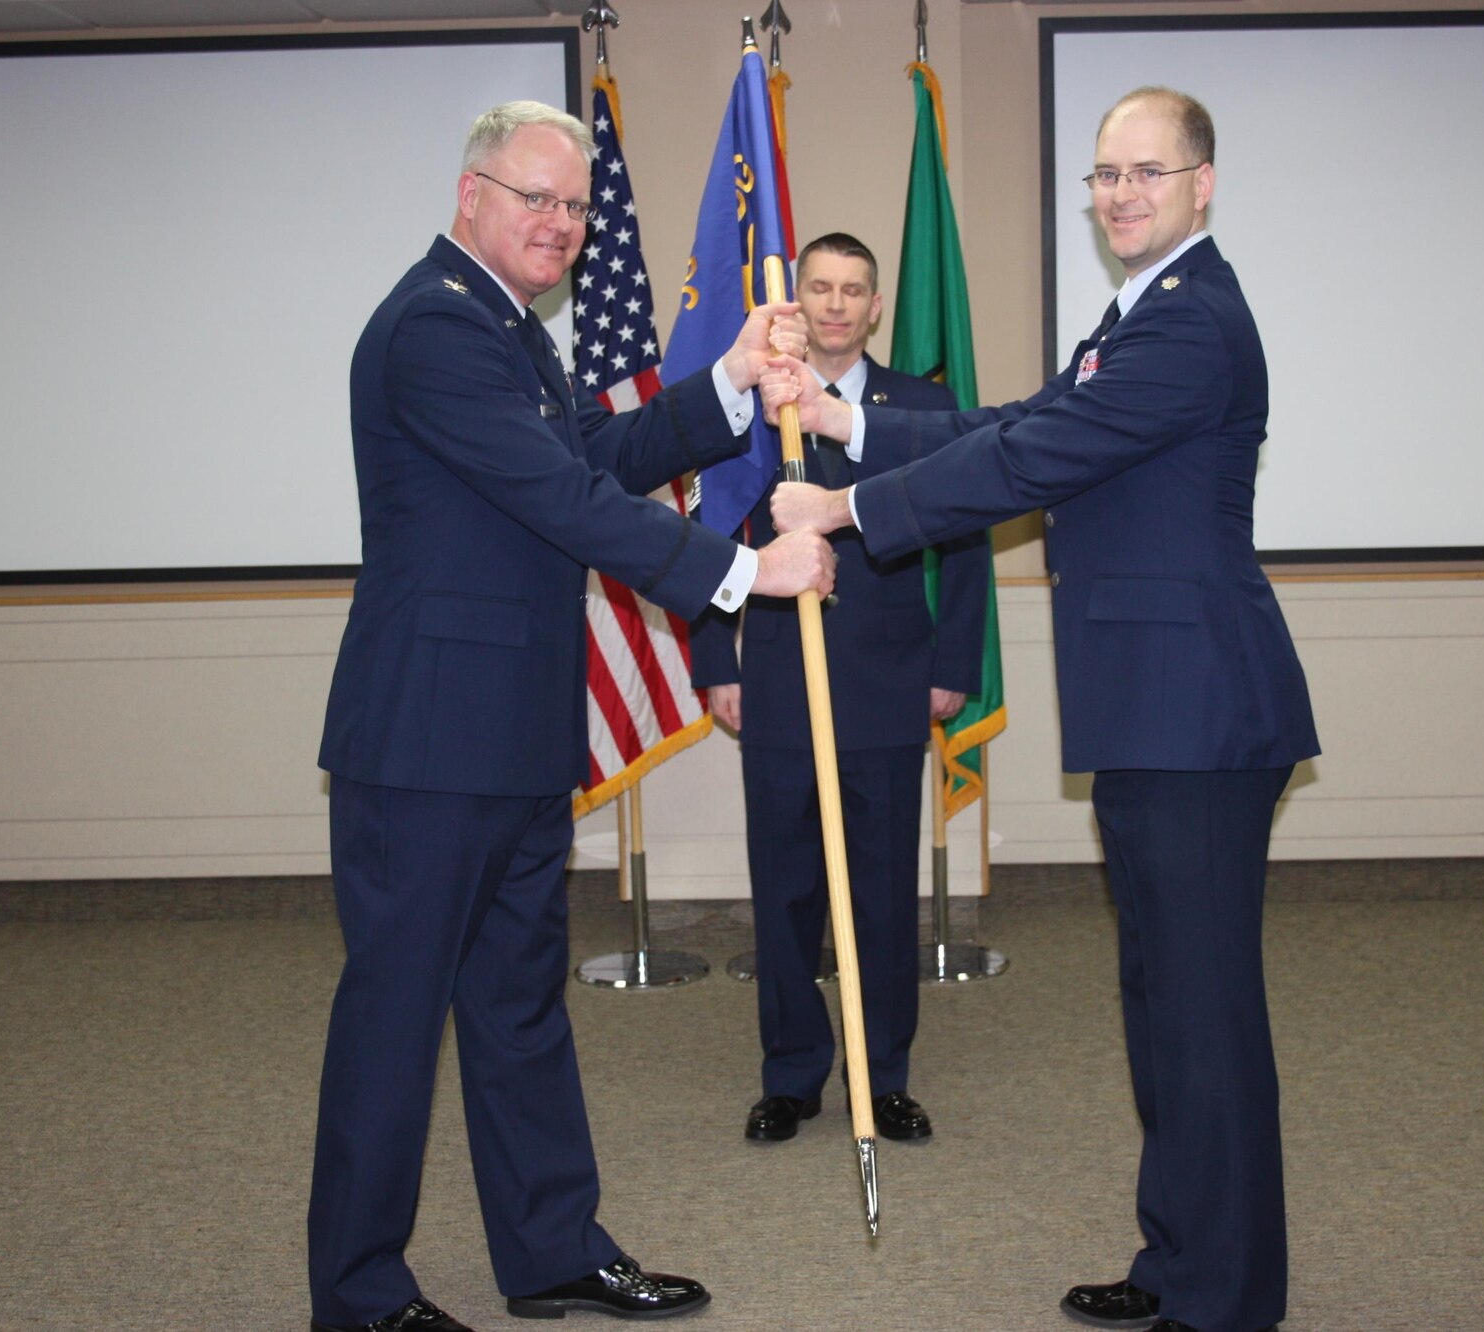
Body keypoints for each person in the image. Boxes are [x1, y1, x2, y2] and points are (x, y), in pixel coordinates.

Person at [762, 87, 1315, 1332]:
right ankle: (1177, 1261)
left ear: (1202, 182)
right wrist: (852, 419)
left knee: (1204, 1016)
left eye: (1146, 173)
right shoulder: (1136, 315)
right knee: (1162, 1002)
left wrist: (847, 508)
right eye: (1104, 175)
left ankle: (1224, 1299)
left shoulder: (1189, 323)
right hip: (1150, 705)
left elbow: (1029, 464)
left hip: (1196, 711)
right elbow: (1019, 421)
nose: (1119, 195)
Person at [309, 101, 834, 1332]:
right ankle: (360, 1297)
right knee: (394, 1024)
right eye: (533, 197)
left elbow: (593, 449)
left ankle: (549, 1249)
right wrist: (740, 573)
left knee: (516, 1009)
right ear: (469, 195)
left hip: (511, 737)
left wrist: (730, 386)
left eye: (575, 207)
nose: (558, 224)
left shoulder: (508, 329)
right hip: (425, 747)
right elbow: (556, 492)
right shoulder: (435, 328)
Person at [687, 232, 988, 1146]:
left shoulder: (921, 407)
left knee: (883, 894)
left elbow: (966, 546)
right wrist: (715, 661)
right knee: (785, 893)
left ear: (875, 306)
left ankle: (882, 1074)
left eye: (854, 290)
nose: (835, 304)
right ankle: (791, 1075)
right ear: (800, 302)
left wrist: (953, 669)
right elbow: (706, 536)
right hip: (777, 677)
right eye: (819, 287)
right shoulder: (755, 407)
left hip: (891, 682)